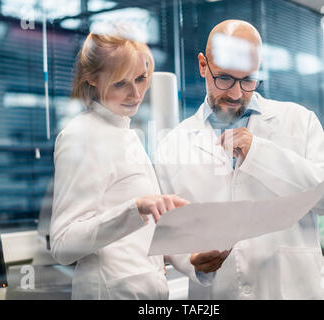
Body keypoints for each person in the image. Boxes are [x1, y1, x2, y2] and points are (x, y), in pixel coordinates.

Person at [155, 19, 324, 299]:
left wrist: (261, 154)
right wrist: (190, 262)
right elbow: (165, 231)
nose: (237, 94)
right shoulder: (172, 145)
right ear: (203, 65)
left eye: (248, 79)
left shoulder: (298, 121)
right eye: (224, 78)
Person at [49, 32, 224, 300]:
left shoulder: (126, 131)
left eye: (141, 79)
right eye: (121, 83)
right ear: (92, 78)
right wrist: (135, 209)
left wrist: (192, 260)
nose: (136, 93)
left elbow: (138, 237)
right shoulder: (81, 136)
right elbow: (62, 245)